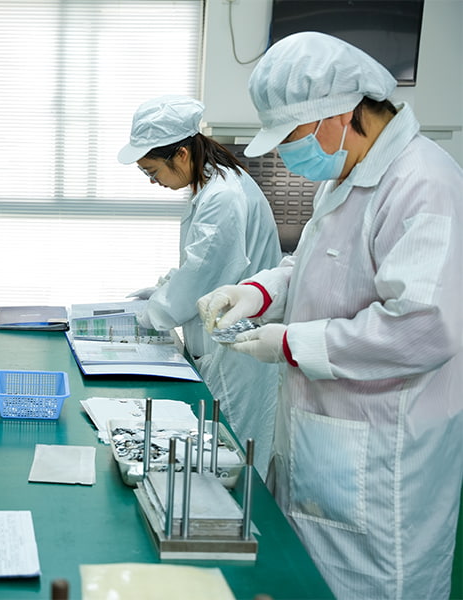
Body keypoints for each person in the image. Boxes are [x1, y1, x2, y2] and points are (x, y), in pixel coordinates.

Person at [196, 32, 463, 600]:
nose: (288, 154)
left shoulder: (424, 183)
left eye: (292, 137)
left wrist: (290, 344)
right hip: (324, 441)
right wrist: (257, 292)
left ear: (339, 114)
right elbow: (313, 266)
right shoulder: (348, 173)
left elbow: (423, 326)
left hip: (383, 456)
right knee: (307, 579)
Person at [118, 95, 282, 478]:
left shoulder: (223, 197)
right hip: (223, 342)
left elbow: (202, 276)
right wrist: (162, 290)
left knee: (231, 461)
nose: (153, 181)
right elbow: (202, 264)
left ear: (181, 154)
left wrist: (152, 313)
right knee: (218, 458)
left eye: (152, 171)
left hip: (236, 355)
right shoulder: (214, 185)